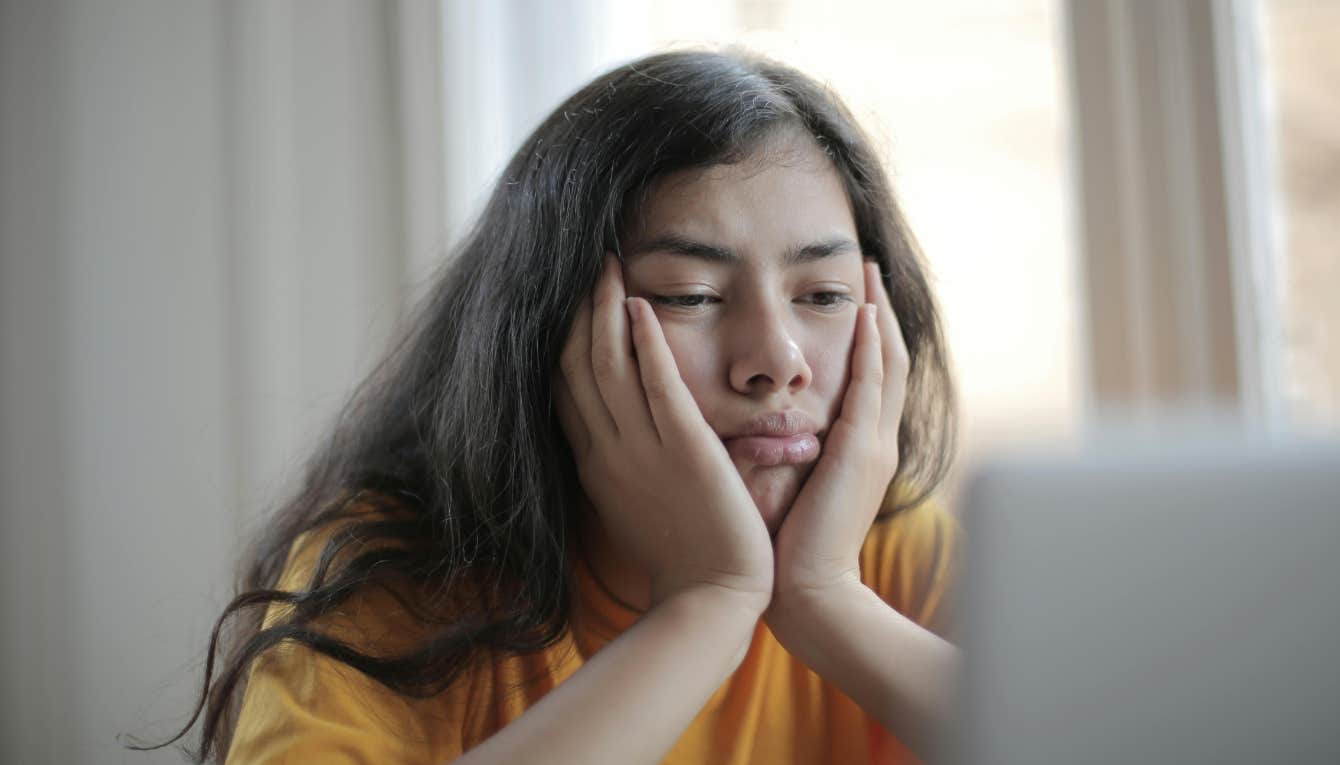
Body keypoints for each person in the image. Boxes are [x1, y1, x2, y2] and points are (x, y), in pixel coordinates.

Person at [136, 47, 961, 764]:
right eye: (691, 294)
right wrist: (709, 601)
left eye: (822, 293)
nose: (777, 362)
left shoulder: (890, 555)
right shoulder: (397, 580)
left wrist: (824, 595)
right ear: (551, 333)